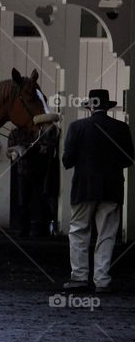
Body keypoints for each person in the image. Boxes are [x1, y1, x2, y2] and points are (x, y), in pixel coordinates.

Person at [62, 89, 134, 293]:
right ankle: (102, 280)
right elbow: (128, 159)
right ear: (107, 106)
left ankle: (79, 277)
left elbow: (67, 161)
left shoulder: (77, 127)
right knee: (107, 234)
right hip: (112, 188)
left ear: (90, 106)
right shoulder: (121, 128)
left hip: (83, 188)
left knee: (79, 232)